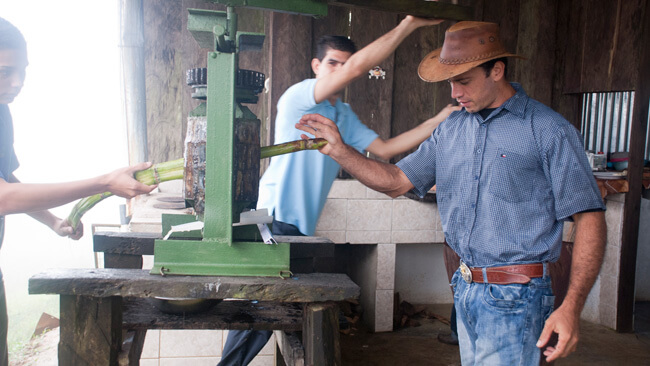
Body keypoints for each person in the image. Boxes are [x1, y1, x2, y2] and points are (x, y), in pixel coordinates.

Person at [296, 21, 606, 365]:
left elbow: (589, 217)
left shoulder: (548, 130)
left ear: (497, 70)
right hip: (465, 287)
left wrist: (571, 307)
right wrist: (341, 151)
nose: (455, 93)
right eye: (450, 82)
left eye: (464, 80)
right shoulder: (452, 128)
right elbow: (397, 180)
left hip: (519, 296)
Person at [218, 16, 460, 366]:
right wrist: (409, 24)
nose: (341, 71)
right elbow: (359, 68)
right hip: (271, 222)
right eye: (333, 64)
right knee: (262, 314)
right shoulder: (299, 98)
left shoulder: (343, 115)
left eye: (345, 64)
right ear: (317, 66)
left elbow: (386, 149)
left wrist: (437, 121)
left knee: (280, 316)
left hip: (300, 231)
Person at [0, 17, 157, 366]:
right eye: (5, 72)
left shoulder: (2, 113)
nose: (17, 83)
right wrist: (103, 183)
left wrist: (54, 221)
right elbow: (3, 198)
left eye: (22, 71)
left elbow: (7, 179)